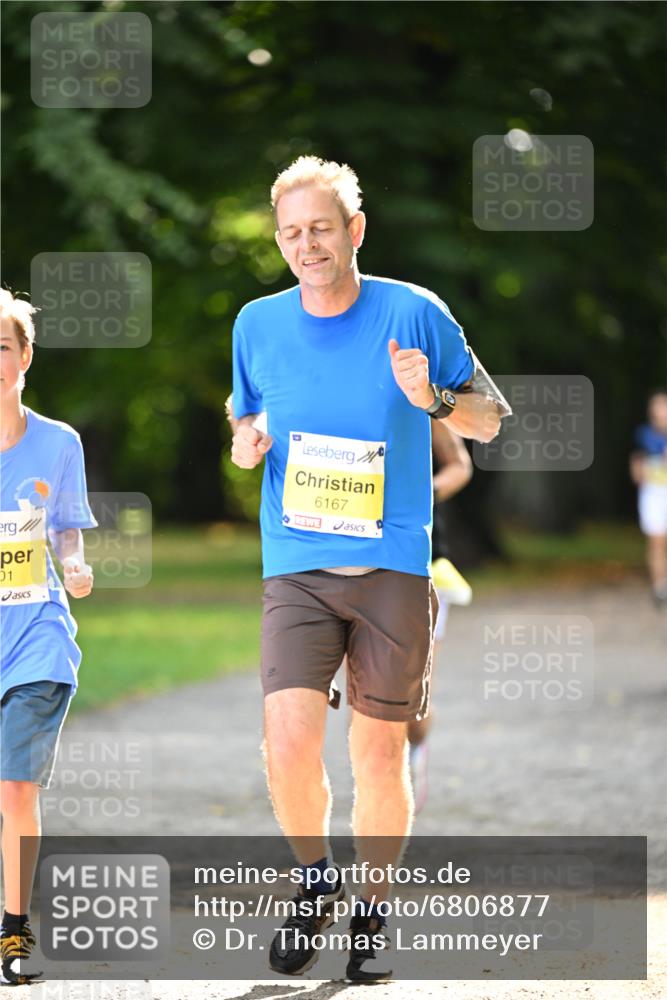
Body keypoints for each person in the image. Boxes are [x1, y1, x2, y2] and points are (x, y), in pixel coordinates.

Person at [229, 155, 510, 982]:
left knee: (379, 754)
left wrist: (432, 400)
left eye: (320, 228)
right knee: (285, 740)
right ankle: (316, 880)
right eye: (290, 233)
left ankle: (373, 914)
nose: (306, 245)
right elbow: (245, 413)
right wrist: (244, 440)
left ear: (354, 230)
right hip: (297, 563)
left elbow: (488, 421)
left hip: (391, 566)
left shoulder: (414, 311)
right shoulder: (255, 323)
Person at [0, 290, 96, 986]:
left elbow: (66, 528)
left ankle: (12, 932)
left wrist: (75, 565)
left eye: (1, 347)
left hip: (37, 636)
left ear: (25, 357)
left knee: (14, 789)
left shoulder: (59, 443)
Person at [408, 420, 473, 813]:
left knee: (413, 692)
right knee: (363, 688)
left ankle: (415, 746)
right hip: (359, 561)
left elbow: (460, 466)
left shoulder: (426, 405)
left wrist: (422, 493)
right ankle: (377, 784)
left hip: (425, 564)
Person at [630, 390, 667, 607]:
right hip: (653, 493)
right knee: (656, 540)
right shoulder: (643, 435)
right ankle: (660, 586)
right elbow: (636, 465)